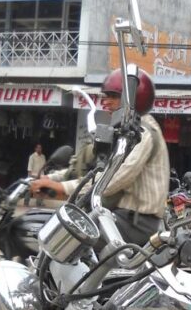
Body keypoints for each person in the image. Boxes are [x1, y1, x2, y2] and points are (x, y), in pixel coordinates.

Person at [30, 68, 169, 244]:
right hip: (125, 218)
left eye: (113, 96)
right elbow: (95, 171)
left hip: (136, 224)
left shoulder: (143, 133)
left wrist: (62, 188)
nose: (106, 102)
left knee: (66, 241)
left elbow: (113, 180)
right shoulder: (127, 133)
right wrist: (50, 179)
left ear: (133, 99)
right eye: (105, 96)